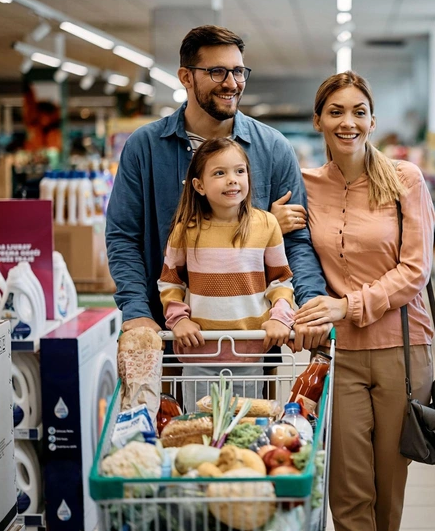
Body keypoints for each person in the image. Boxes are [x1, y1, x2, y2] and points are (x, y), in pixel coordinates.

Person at [106, 25, 330, 351]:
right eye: (217, 71)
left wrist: (310, 305)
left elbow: (296, 243)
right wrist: (137, 311)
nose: (232, 83)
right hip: (167, 341)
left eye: (238, 71)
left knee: (252, 407)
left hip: (253, 342)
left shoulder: (271, 148)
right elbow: (123, 237)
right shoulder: (145, 147)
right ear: (185, 77)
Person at [294, 71, 435, 531]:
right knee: (348, 488)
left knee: (389, 485)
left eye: (358, 112)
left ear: (373, 121)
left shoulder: (404, 179)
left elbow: (415, 270)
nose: (347, 122)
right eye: (335, 112)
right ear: (318, 120)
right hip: (341, 354)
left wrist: (347, 306)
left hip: (403, 351)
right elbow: (279, 248)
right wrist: (269, 221)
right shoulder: (305, 185)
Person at [159, 138, 293, 408]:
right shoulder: (185, 230)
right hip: (198, 356)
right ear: (199, 185)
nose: (233, 180)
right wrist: (178, 321)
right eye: (220, 173)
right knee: (200, 431)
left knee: (246, 431)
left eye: (239, 171)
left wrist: (281, 317)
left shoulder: (266, 224)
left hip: (250, 354)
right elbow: (169, 281)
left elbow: (280, 280)